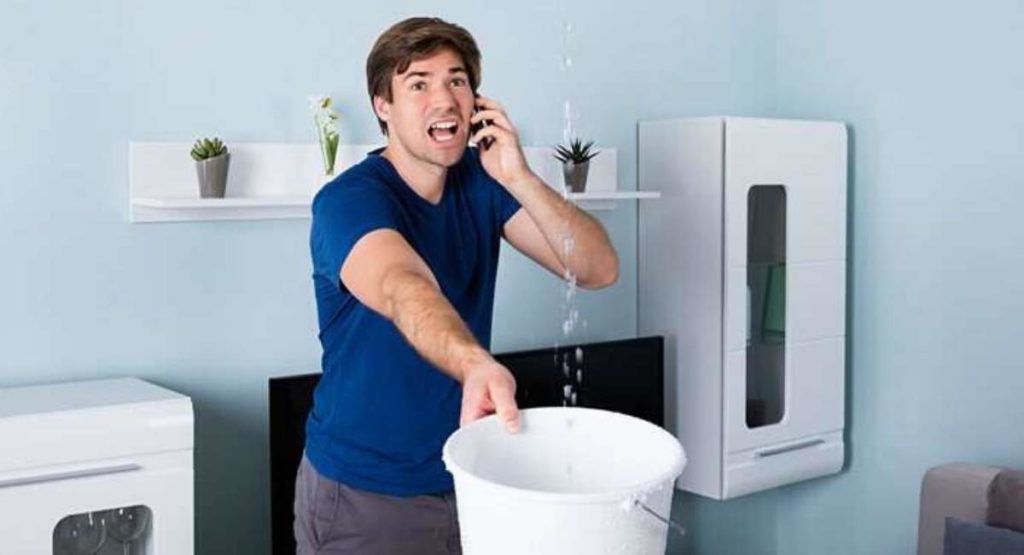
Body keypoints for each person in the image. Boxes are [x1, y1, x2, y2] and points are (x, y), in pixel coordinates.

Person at [294, 16, 619, 555]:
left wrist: (517, 175)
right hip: (365, 495)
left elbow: (597, 268)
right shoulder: (349, 200)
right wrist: (474, 365)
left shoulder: (483, 183)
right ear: (383, 105)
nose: (444, 99)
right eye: (418, 84)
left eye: (457, 81)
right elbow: (401, 286)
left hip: (469, 474)